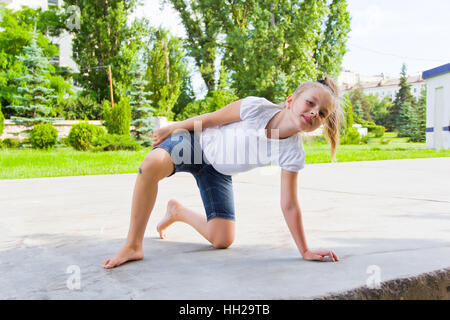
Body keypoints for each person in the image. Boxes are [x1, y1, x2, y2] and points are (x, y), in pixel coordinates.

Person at [102, 76, 343, 269]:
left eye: (322, 113)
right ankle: (133, 245)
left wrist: (305, 250)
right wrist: (174, 127)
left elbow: (289, 204)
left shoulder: (292, 151)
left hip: (217, 172)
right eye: (310, 103)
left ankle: (177, 211)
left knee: (222, 239)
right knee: (151, 164)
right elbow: (210, 119)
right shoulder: (255, 107)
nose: (314, 113)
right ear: (291, 100)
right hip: (196, 145)